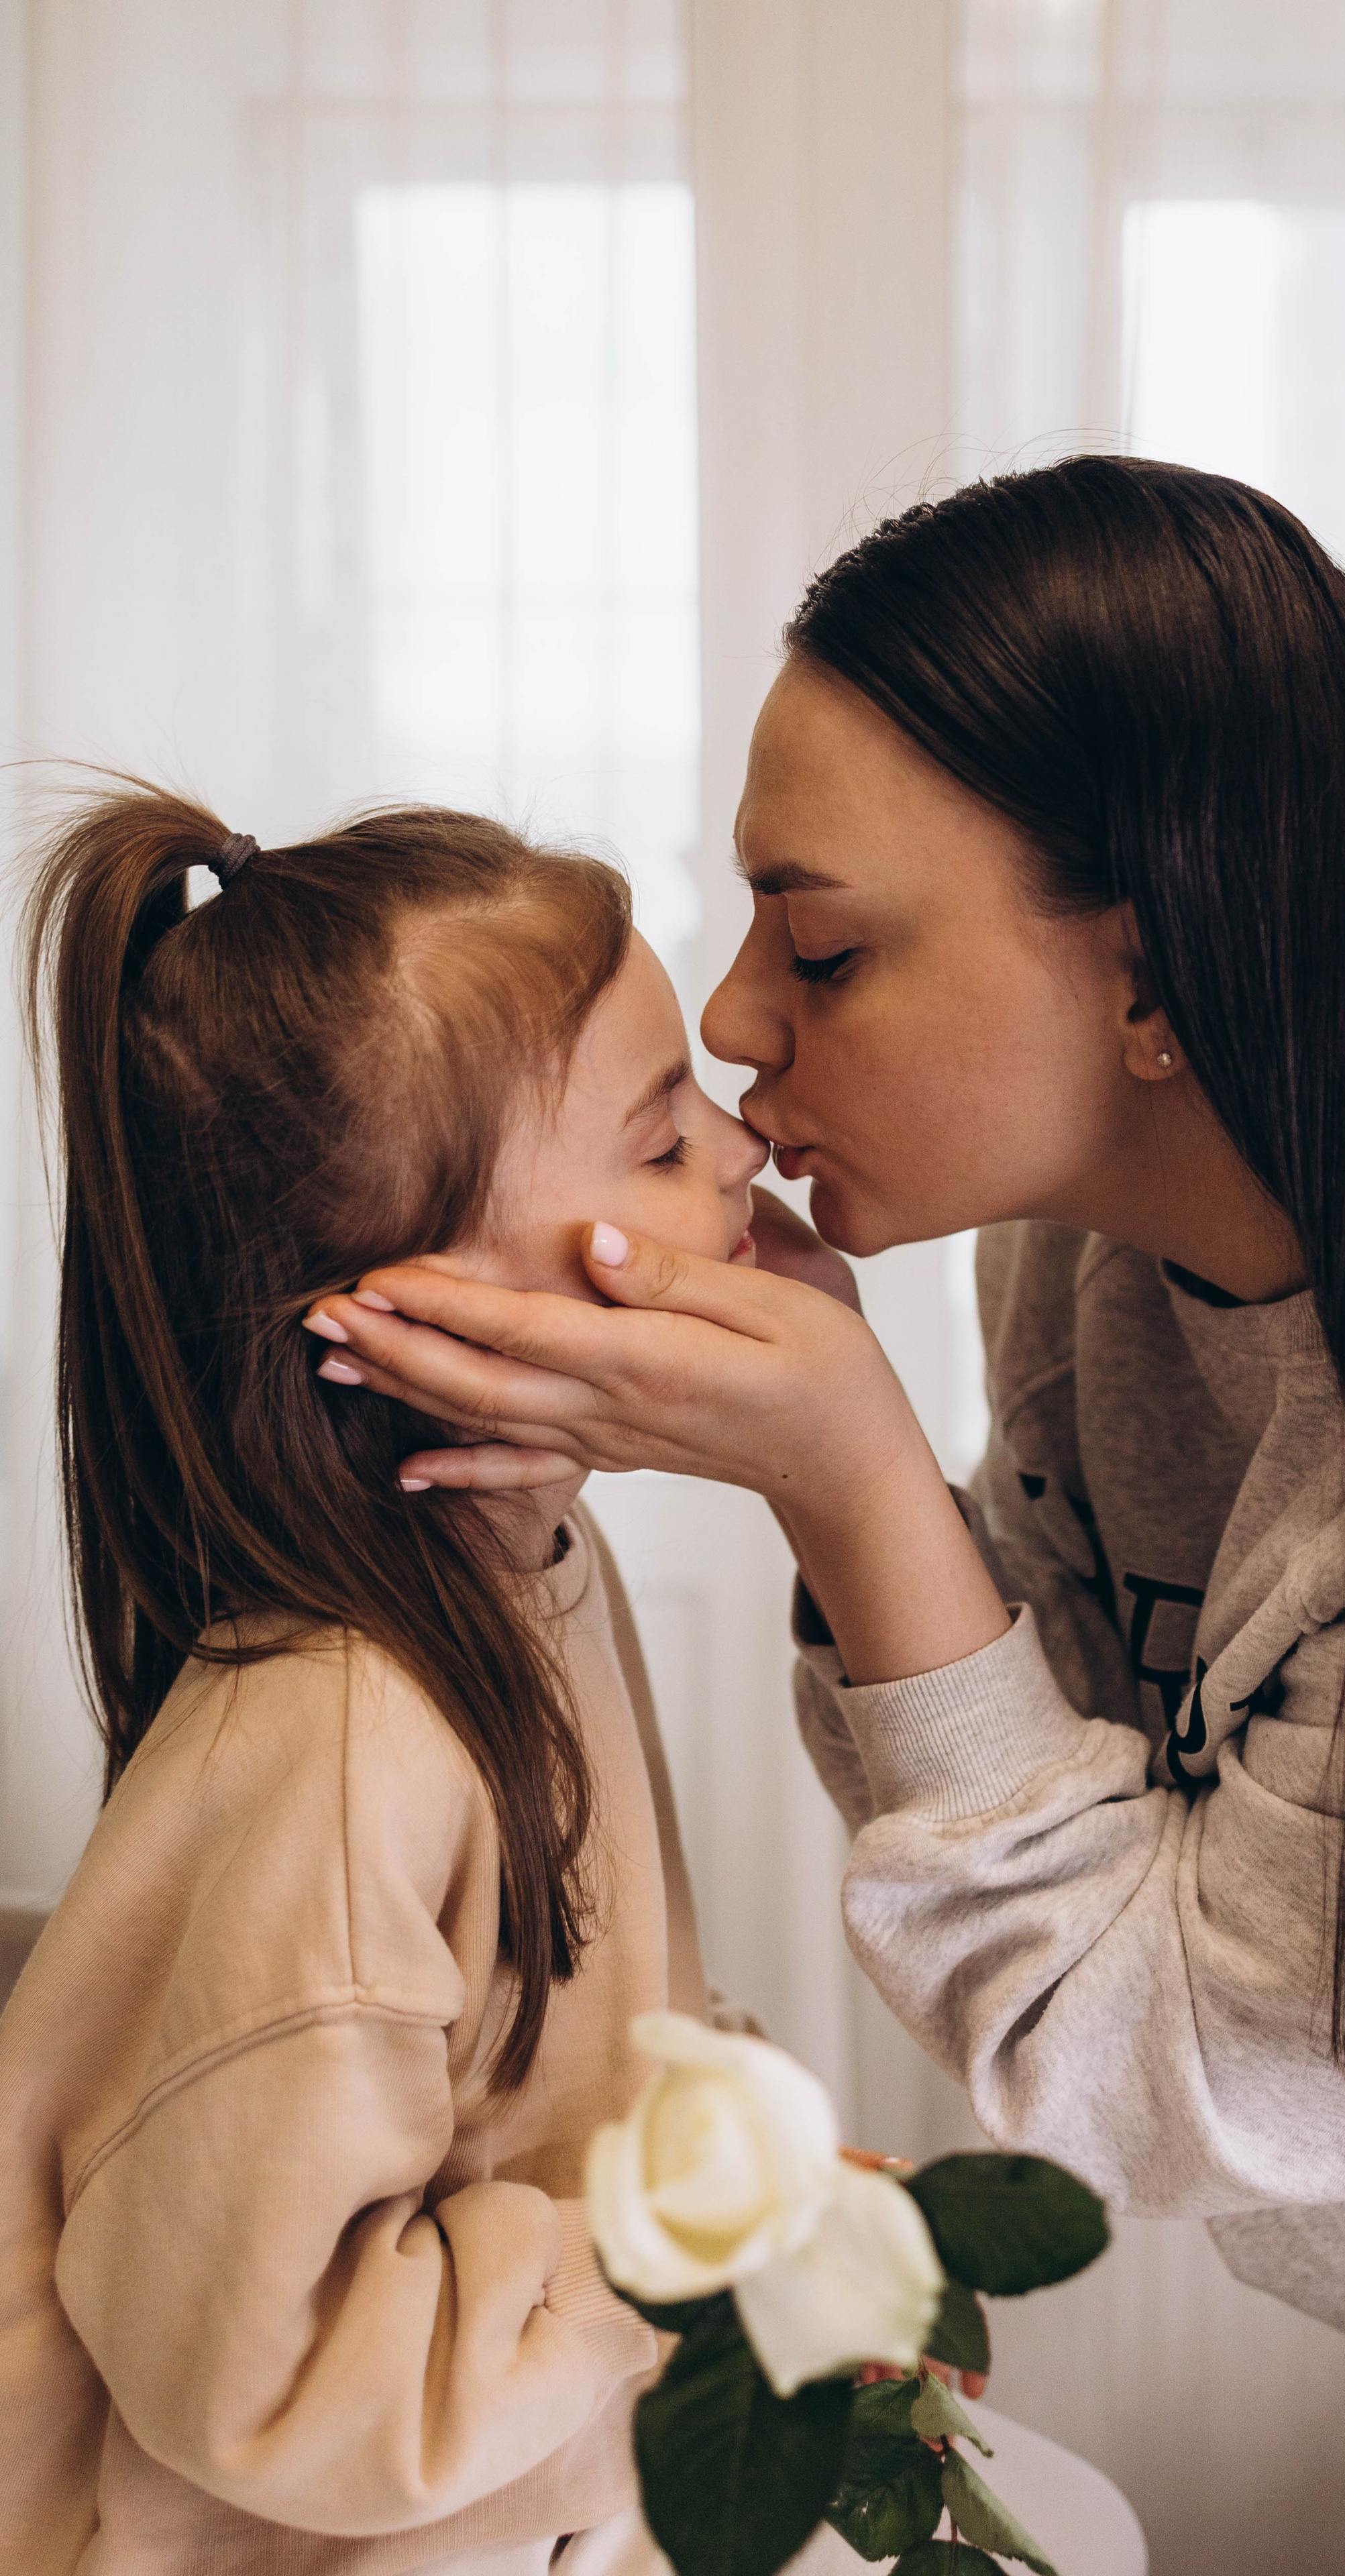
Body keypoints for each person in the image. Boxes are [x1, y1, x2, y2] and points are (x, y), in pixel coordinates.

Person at [311, 457, 1345, 2576]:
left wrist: (848, 1475)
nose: (731, 1022)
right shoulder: (1091, 1260)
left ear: (1155, 975)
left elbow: (1155, 2065)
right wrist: (825, 1477)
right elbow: (1030, 1779)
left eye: (827, 942)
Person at [0, 789, 764, 2575]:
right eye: (660, 1141)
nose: (739, 1158)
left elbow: (565, 2084)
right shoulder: (351, 1753)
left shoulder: (535, 1568)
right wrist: (686, 2248)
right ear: (410, 1312)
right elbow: (271, 2367)